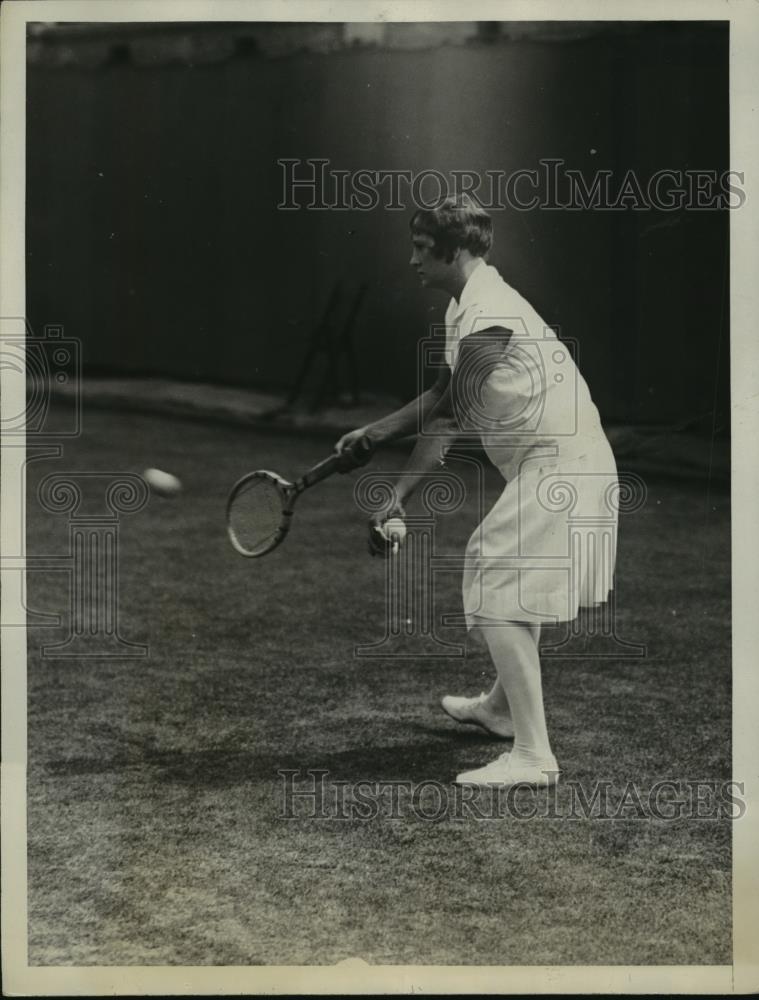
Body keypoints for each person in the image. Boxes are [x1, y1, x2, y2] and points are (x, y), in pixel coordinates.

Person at [336, 195, 618, 787]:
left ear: (455, 250)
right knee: (514, 584)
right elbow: (442, 393)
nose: (411, 260)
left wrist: (394, 498)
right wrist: (373, 431)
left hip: (563, 464)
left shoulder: (491, 311)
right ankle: (498, 710)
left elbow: (449, 419)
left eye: (420, 248)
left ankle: (534, 756)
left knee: (493, 575)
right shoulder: (466, 306)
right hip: (557, 461)